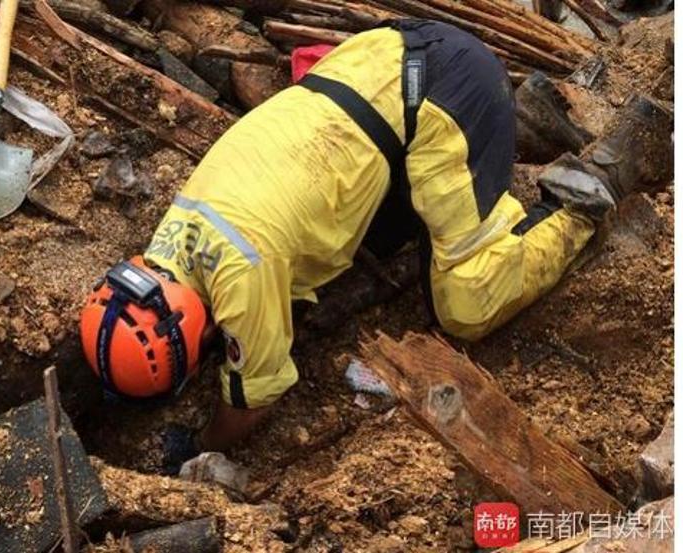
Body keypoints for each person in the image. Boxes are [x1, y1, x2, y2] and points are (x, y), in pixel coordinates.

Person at [79, 19, 672, 472]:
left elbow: (254, 399)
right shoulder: (173, 233)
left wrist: (200, 448)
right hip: (374, 60)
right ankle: (521, 127)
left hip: (444, 92)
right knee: (384, 239)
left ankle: (597, 182)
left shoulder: (241, 274)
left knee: (466, 304)